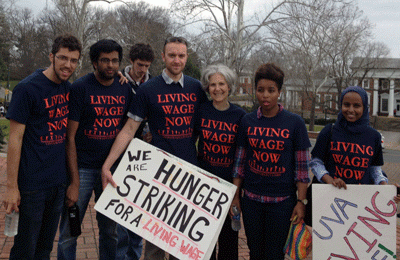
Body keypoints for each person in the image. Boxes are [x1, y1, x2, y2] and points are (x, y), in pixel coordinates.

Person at [101, 36, 208, 260]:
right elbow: (129, 129)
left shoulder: (196, 88)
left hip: (189, 174)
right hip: (157, 174)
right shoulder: (148, 89)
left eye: (181, 55)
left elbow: (204, 125)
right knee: (155, 243)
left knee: (184, 243)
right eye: (172, 55)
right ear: (163, 57)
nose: (176, 60)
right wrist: (108, 165)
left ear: (186, 57)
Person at [2, 34, 81, 259]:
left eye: (73, 60)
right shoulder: (27, 89)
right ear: (51, 56)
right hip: (31, 186)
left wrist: (124, 76)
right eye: (63, 58)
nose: (68, 65)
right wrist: (11, 187)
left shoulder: (68, 88)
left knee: (44, 249)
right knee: (25, 250)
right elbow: (14, 140)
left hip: (57, 183)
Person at [57, 39, 133, 260]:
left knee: (111, 231)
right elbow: (69, 137)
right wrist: (74, 180)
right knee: (70, 230)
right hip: (82, 168)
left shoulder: (124, 86)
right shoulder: (81, 88)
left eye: (115, 61)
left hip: (111, 169)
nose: (110, 65)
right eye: (105, 60)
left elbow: (129, 127)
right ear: (94, 62)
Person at [231, 63, 311, 260]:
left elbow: (302, 169)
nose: (265, 95)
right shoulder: (247, 121)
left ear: (279, 92)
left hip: (282, 203)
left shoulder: (294, 123)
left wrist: (301, 202)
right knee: (255, 252)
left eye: (271, 90)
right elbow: (239, 164)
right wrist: (235, 197)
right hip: (252, 201)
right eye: (260, 90)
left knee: (275, 254)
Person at [310, 86, 400, 201]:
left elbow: (374, 170)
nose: (351, 110)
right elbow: (315, 162)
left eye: (357, 106)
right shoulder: (329, 131)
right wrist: (329, 180)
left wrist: (387, 190)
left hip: (360, 200)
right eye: (346, 104)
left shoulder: (373, 136)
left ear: (364, 108)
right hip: (330, 199)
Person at [195, 64, 246, 260]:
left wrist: (236, 193)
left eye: (221, 84)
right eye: (213, 84)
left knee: (228, 242)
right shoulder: (201, 111)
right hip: (203, 185)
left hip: (228, 187)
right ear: (207, 87)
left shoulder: (240, 116)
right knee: (204, 241)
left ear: (229, 86)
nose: (217, 88)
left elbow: (241, 157)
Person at [117, 43, 155, 260]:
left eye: (147, 66)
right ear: (131, 61)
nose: (143, 70)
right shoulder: (119, 81)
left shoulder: (153, 83)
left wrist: (149, 132)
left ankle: (134, 253)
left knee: (139, 209)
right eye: (140, 65)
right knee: (121, 209)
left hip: (142, 153)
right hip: (120, 149)